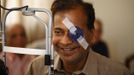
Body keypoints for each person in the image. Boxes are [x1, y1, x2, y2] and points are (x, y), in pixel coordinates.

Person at [26, 0, 131, 75]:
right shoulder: (36, 68)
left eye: (75, 32)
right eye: (58, 32)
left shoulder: (118, 72)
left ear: (91, 34)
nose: (65, 41)